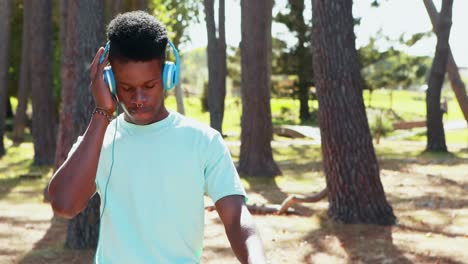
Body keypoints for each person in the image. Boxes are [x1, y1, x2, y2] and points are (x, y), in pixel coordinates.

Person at [48, 11, 265, 264]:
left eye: (149, 86)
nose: (138, 99)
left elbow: (237, 219)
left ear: (167, 76)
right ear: (109, 81)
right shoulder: (98, 141)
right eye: (127, 88)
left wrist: (256, 259)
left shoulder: (204, 141)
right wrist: (103, 112)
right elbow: (64, 204)